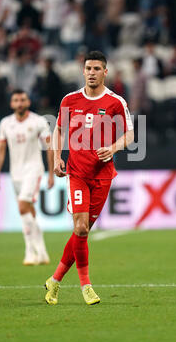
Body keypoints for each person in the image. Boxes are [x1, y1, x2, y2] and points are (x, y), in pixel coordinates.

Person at [44, 50, 134, 306]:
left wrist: (114, 148)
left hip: (103, 176)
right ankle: (86, 286)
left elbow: (129, 135)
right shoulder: (70, 100)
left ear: (105, 72)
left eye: (97, 69)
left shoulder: (116, 102)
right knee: (81, 228)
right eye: (88, 68)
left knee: (80, 233)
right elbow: (59, 129)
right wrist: (57, 159)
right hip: (77, 174)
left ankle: (54, 281)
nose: (92, 73)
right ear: (83, 71)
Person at [0, 89, 54, 266]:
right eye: (16, 100)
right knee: (28, 211)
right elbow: (0, 149)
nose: (20, 103)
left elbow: (49, 147)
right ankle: (42, 252)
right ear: (12, 104)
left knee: (22, 206)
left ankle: (30, 251)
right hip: (15, 173)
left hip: (33, 170)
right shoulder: (5, 123)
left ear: (28, 102)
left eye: (23, 100)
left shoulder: (39, 121)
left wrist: (51, 173)